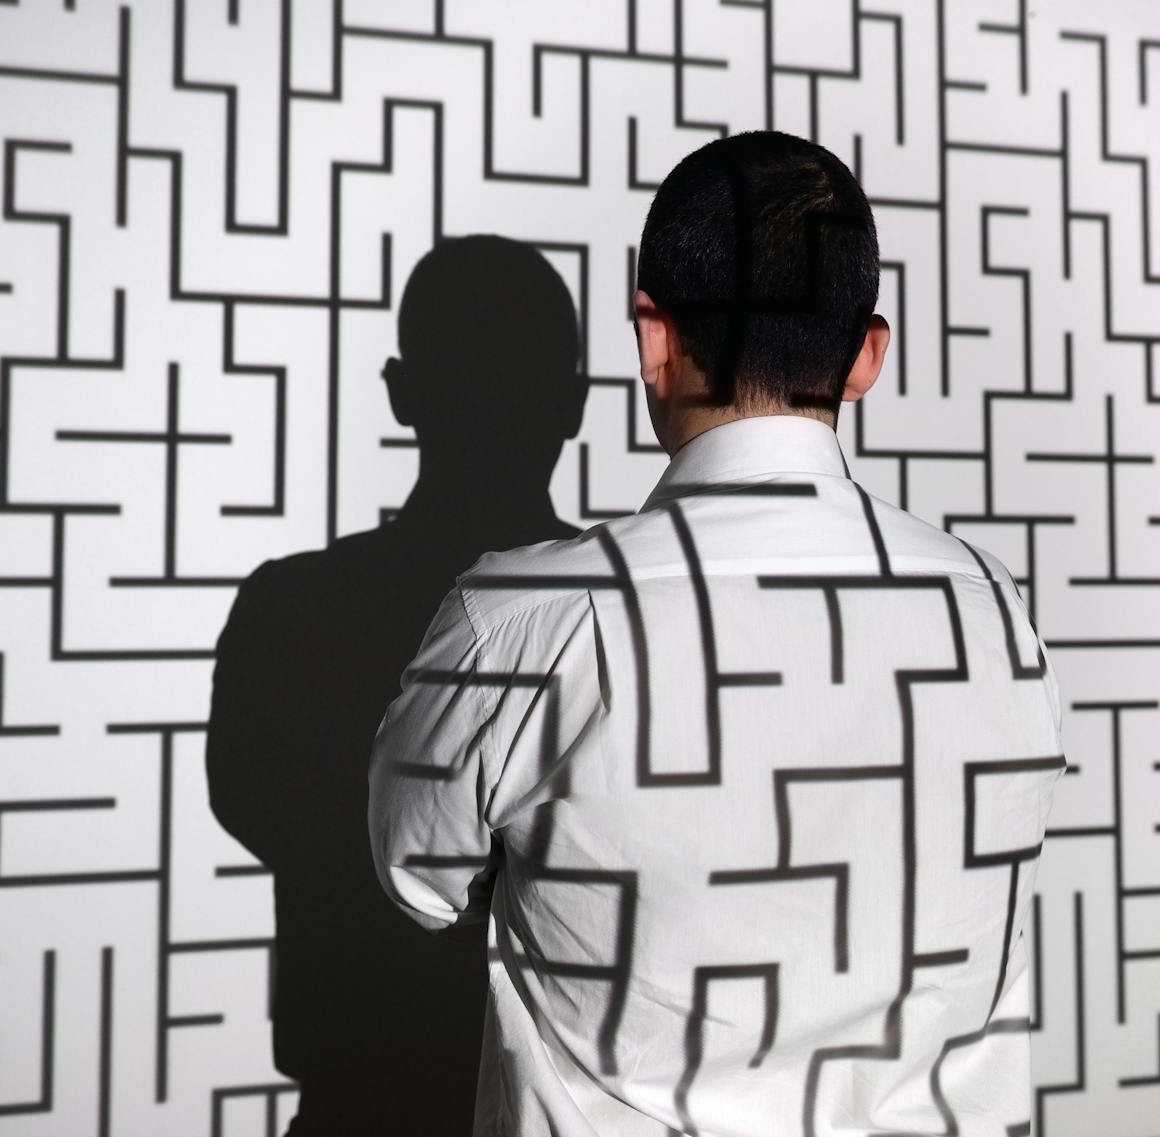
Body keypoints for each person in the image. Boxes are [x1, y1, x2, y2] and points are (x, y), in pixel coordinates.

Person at [367, 131, 1067, 1137]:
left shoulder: (522, 624)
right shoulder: (998, 615)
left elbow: (417, 883)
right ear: (868, 355)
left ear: (651, 337)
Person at [205, 235, 589, 1134]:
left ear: (402, 391)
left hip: (357, 1089)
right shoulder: (627, 619)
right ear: (572, 406)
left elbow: (254, 806)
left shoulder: (291, 609)